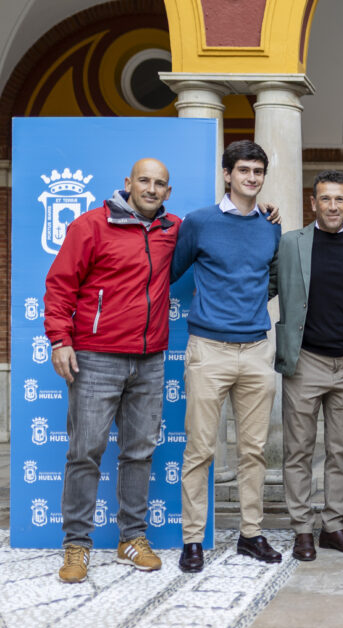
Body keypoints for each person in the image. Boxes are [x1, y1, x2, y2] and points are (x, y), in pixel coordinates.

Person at [43, 158, 176, 582]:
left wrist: (264, 212)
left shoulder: (172, 230)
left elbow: (221, 230)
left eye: (159, 183)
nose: (151, 189)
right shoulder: (90, 226)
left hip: (150, 358)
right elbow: (60, 284)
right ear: (128, 183)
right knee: (85, 452)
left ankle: (131, 539)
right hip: (96, 356)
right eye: (144, 181)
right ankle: (76, 546)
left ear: (167, 192)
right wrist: (60, 339)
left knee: (139, 452)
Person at [172, 140, 282, 572]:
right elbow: (173, 270)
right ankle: (193, 540)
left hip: (256, 349)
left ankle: (251, 535)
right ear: (227, 175)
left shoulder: (270, 225)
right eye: (244, 171)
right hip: (208, 350)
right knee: (199, 450)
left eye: (257, 171)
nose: (251, 178)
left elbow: (269, 278)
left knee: (254, 452)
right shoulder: (199, 222)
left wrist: (249, 305)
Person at [269, 170, 343, 561]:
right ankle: (302, 528)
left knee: (341, 451)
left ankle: (334, 526)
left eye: (340, 199)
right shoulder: (289, 244)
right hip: (304, 360)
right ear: (312, 203)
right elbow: (263, 285)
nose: (333, 206)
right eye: (325, 199)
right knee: (298, 451)